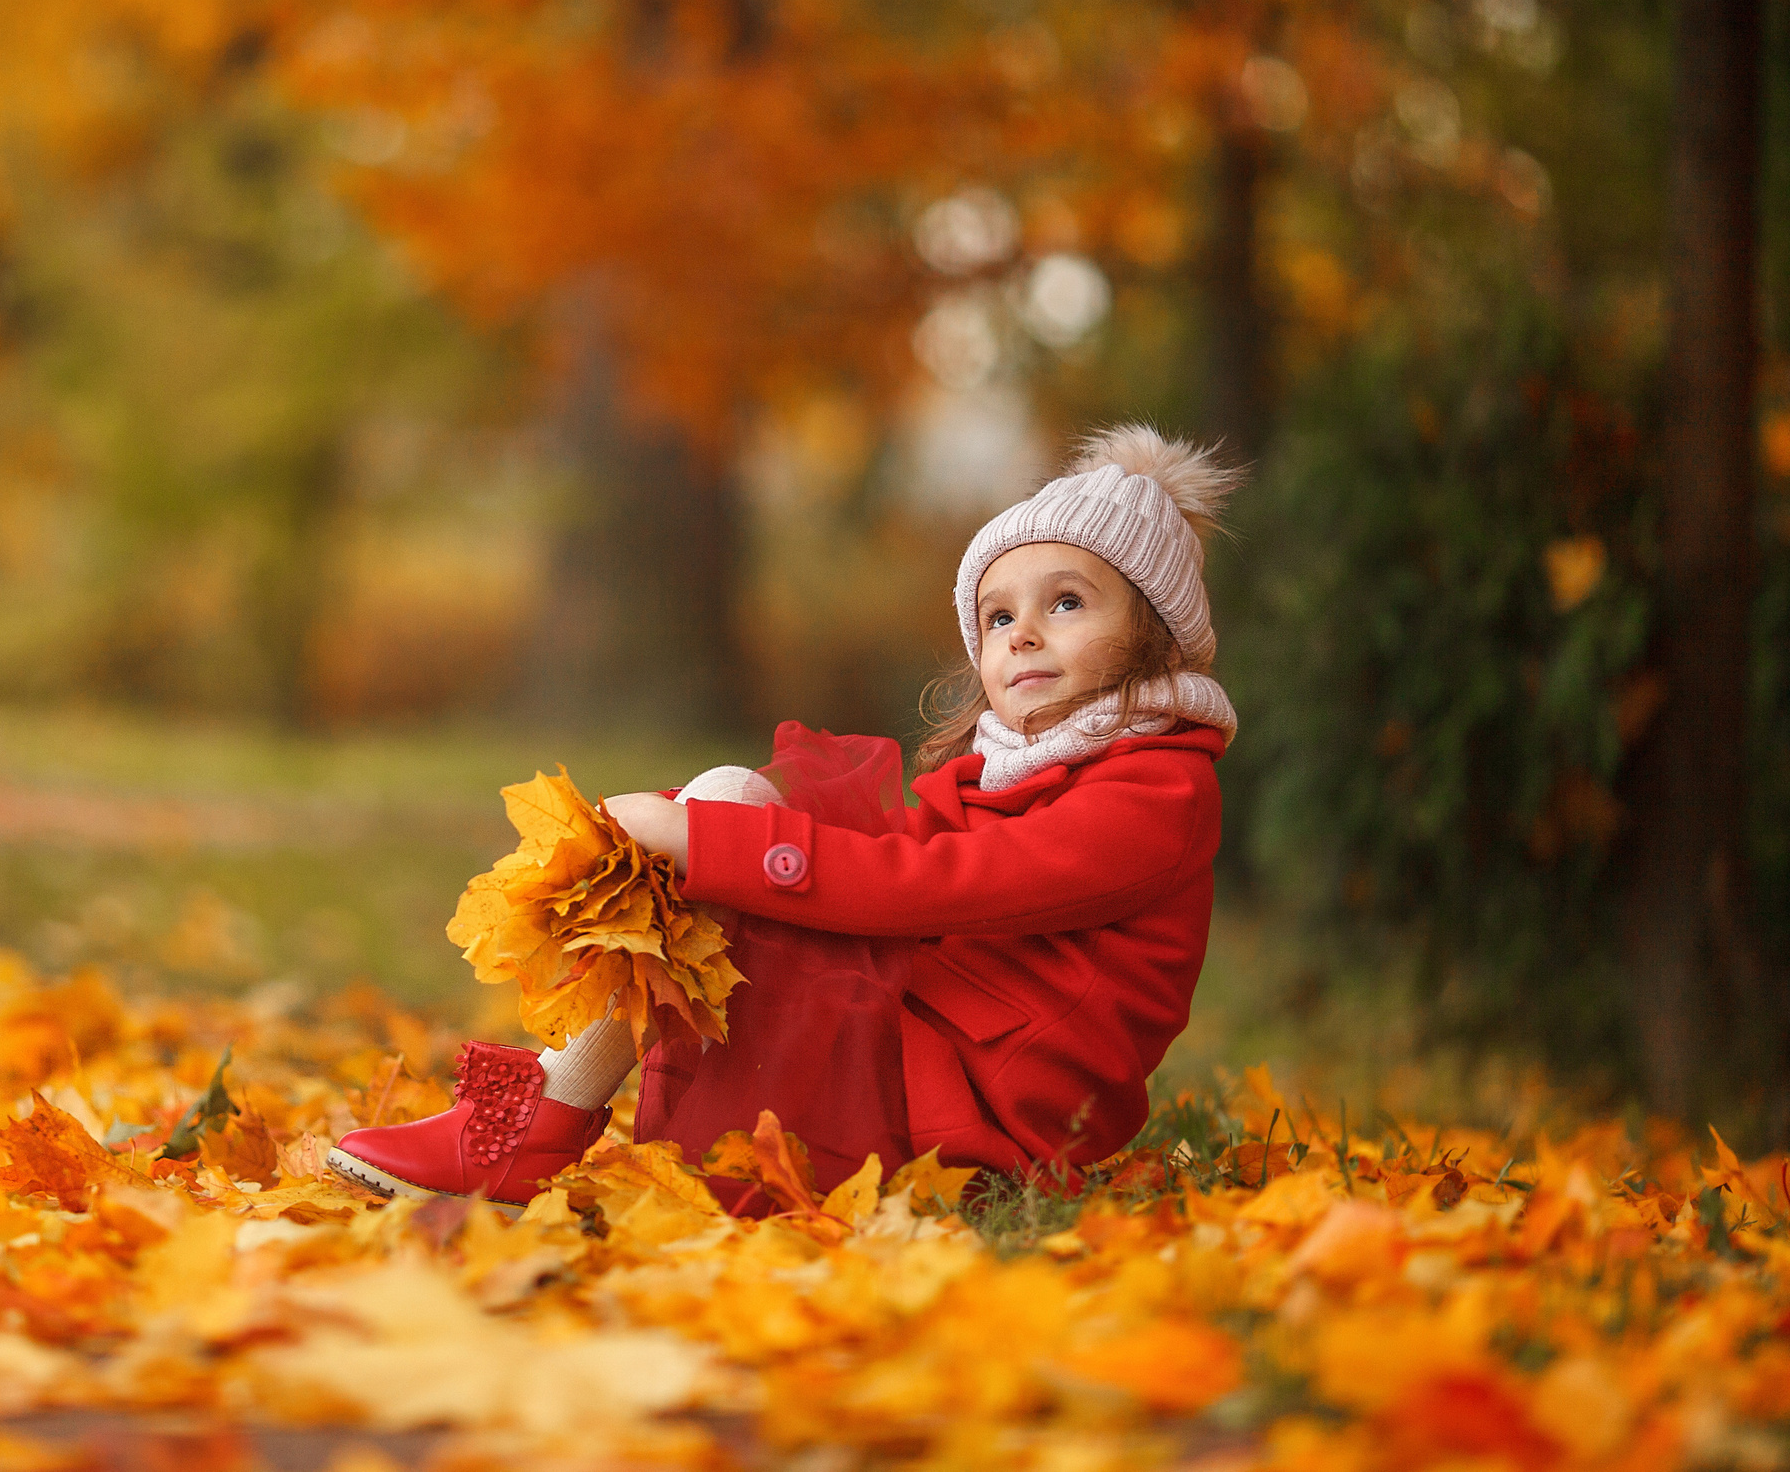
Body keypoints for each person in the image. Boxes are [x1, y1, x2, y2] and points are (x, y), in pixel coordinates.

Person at [327, 425, 1240, 1213]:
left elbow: (932, 887)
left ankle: (535, 1127)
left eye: (1066, 603)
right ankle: (541, 1115)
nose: (1022, 634)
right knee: (733, 790)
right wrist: (709, 827)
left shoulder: (1157, 794)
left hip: (977, 1115)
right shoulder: (1005, 773)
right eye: (997, 616)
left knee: (729, 829)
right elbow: (889, 853)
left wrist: (708, 844)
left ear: (1156, 632)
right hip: (919, 1055)